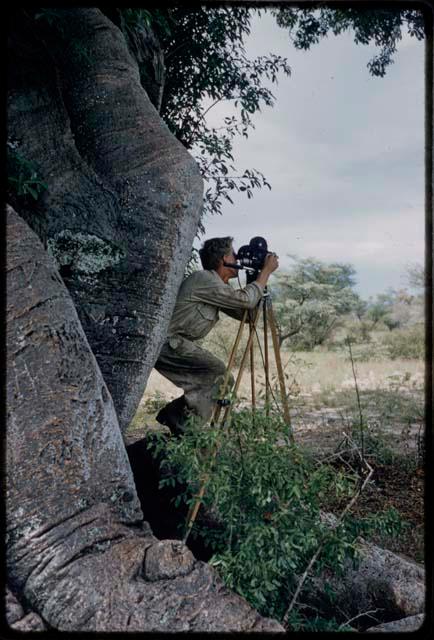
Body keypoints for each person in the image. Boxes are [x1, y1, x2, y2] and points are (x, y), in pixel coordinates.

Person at [154, 236, 279, 435]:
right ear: (223, 259)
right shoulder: (204, 279)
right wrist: (265, 273)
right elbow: (246, 300)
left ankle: (178, 420)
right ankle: (183, 429)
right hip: (167, 344)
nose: (237, 260)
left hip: (173, 344)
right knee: (220, 376)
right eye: (234, 255)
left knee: (214, 380)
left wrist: (256, 279)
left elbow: (247, 315)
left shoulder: (217, 287)